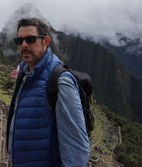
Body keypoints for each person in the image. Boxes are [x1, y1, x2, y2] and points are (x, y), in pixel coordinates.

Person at [6, 18, 90, 167]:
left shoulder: (60, 82)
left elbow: (77, 148)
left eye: (30, 39)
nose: (24, 45)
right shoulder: (25, 75)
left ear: (45, 41)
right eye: (19, 41)